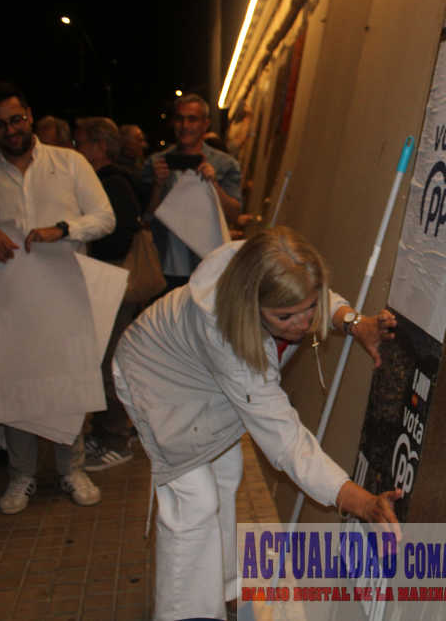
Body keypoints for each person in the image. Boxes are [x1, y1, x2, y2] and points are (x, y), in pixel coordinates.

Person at [113, 226, 401, 620]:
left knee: (227, 472)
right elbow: (285, 440)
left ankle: (224, 588)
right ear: (251, 304)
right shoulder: (227, 339)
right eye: (284, 317)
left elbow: (309, 294)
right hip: (155, 379)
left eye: (310, 309)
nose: (303, 324)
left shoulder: (263, 267)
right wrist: (361, 502)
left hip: (201, 378)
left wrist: (353, 322)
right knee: (194, 499)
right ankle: (185, 613)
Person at [0, 81, 115, 514]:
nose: (10, 130)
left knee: (70, 384)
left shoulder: (69, 163)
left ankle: (72, 469)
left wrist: (63, 230)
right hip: (12, 301)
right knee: (17, 387)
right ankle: (21, 476)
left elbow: (105, 218)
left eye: (16, 119)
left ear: (29, 115)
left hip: (66, 293)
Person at [73, 116, 142, 470]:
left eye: (81, 142)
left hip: (112, 282)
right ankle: (109, 431)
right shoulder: (104, 181)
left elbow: (121, 234)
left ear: (100, 146)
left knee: (110, 364)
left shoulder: (112, 183)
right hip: (105, 281)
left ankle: (117, 437)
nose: (76, 149)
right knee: (105, 360)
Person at [143, 93, 242, 291]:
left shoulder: (225, 164)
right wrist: (158, 185)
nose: (185, 125)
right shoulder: (156, 163)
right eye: (179, 119)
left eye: (192, 119)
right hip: (163, 265)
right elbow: (146, 219)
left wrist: (213, 184)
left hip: (208, 262)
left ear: (205, 124)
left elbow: (234, 214)